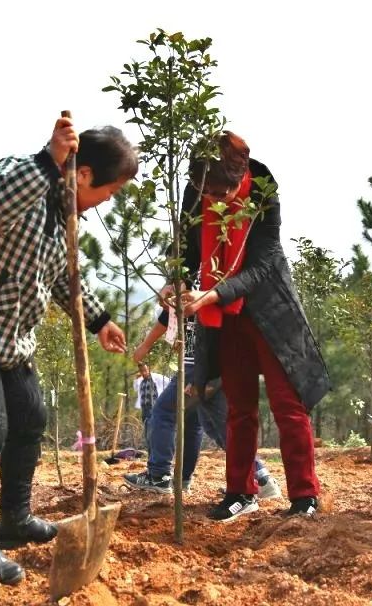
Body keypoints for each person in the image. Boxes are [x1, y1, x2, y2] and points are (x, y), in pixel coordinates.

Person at [0, 117, 136, 584]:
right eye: (110, 190)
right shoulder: (22, 177)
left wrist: (99, 320)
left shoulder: (64, 219)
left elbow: (60, 278)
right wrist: (46, 159)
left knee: (30, 415)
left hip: (8, 335)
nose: (108, 201)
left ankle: (13, 519)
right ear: (85, 174)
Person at [171, 131, 330, 522]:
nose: (213, 201)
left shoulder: (262, 192)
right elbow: (185, 248)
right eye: (205, 193)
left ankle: (304, 496)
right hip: (225, 318)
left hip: (268, 310)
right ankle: (240, 491)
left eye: (220, 195)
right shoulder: (197, 188)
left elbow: (264, 265)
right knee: (237, 407)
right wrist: (174, 279)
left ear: (237, 179)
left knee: (287, 404)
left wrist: (212, 294)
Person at [122, 310, 281, 503]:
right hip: (219, 359)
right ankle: (261, 478)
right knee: (207, 423)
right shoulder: (219, 283)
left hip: (199, 362)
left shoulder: (191, 282)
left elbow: (174, 309)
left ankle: (158, 475)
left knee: (163, 412)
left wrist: (145, 345)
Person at [133, 362, 169, 450]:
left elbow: (170, 382)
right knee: (147, 433)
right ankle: (151, 454)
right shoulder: (141, 380)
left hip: (154, 409)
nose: (144, 373)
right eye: (141, 371)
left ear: (149, 369)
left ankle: (156, 453)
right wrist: (136, 379)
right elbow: (135, 388)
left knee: (153, 432)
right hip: (144, 410)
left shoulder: (156, 378)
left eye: (145, 370)